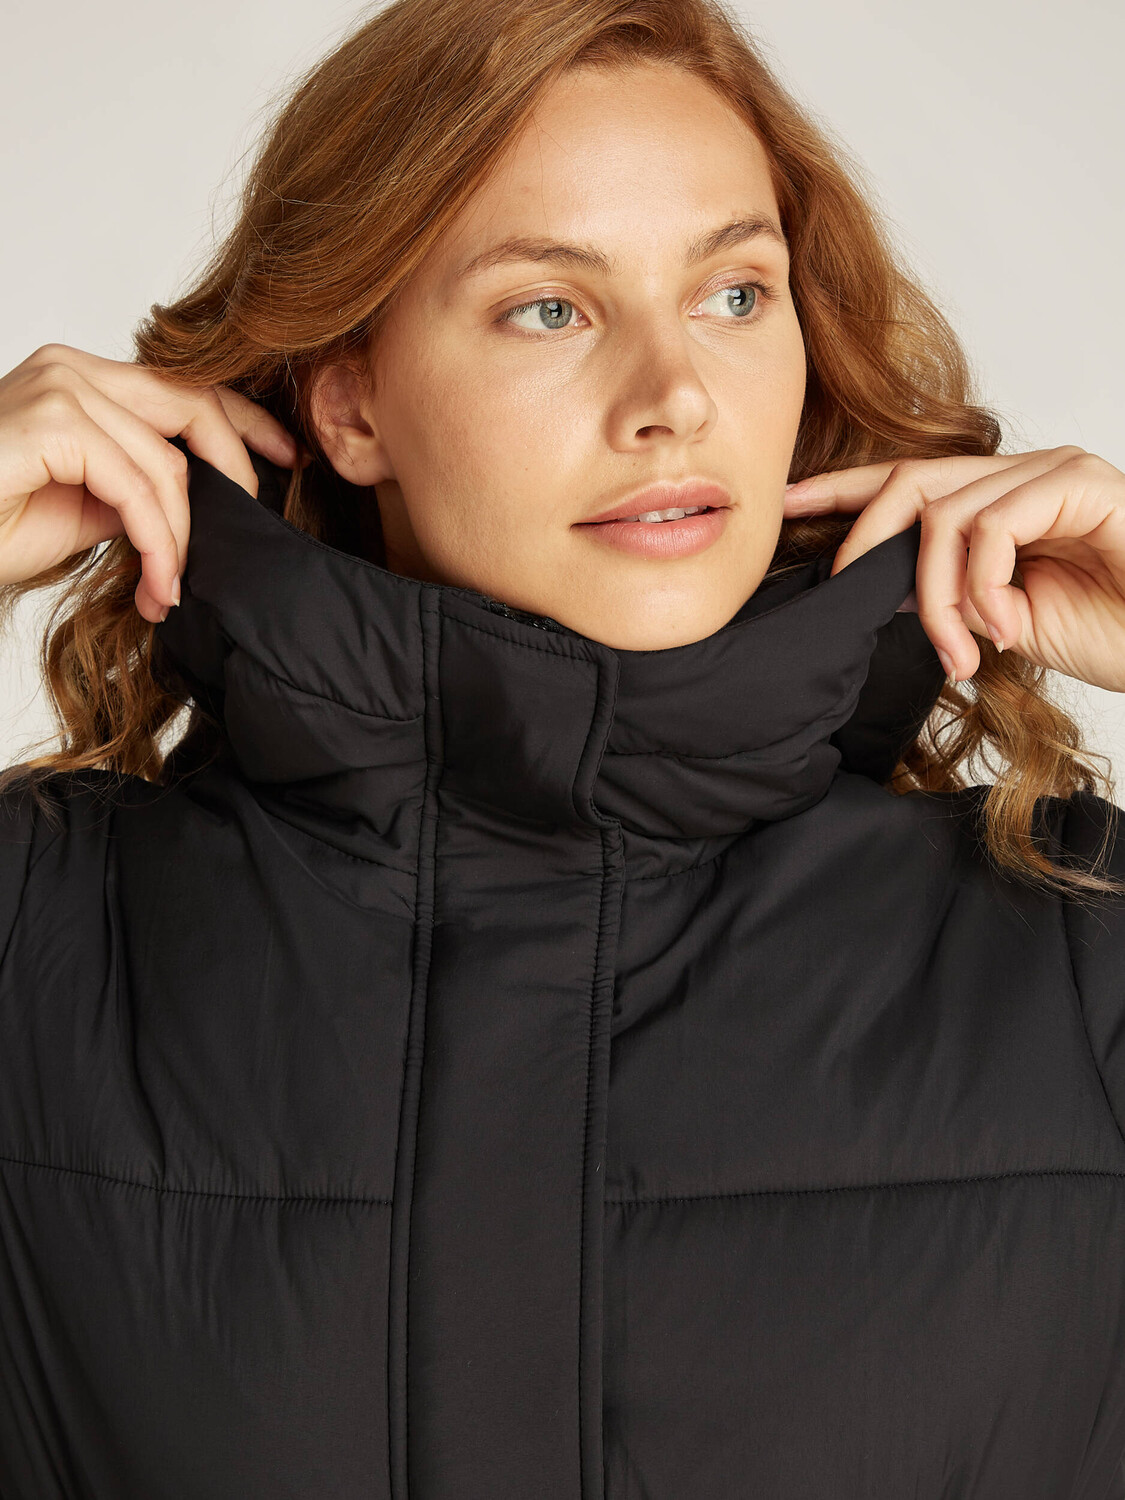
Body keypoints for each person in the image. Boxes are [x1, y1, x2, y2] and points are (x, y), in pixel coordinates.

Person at [1, 0, 1124, 1494]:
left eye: (735, 294)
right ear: (351, 403)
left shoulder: (1073, 948)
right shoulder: (46, 944)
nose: (675, 398)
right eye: (551, 307)